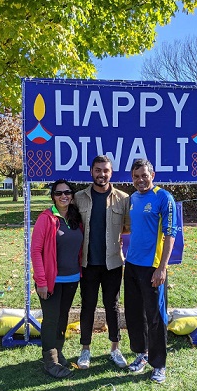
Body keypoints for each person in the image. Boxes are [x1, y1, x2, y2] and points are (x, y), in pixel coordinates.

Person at [124, 159, 177, 384]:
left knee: (155, 316)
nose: (140, 180)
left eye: (144, 175)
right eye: (136, 176)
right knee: (135, 314)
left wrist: (162, 268)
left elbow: (171, 233)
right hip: (132, 265)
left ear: (152, 174)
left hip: (152, 268)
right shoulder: (133, 199)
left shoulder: (163, 197)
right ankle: (141, 354)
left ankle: (159, 364)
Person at [74, 155, 129, 369]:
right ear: (91, 172)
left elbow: (127, 227)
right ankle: (85, 350)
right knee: (87, 306)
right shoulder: (79, 198)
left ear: (111, 173)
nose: (101, 174)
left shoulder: (123, 198)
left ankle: (115, 349)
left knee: (112, 306)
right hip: (87, 263)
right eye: (98, 170)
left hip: (113, 263)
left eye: (105, 170)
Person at [31, 179, 83, 379]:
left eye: (67, 192)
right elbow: (36, 251)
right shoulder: (46, 218)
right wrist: (41, 282)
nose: (64, 196)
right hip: (51, 281)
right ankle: (50, 361)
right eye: (59, 193)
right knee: (51, 320)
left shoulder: (74, 218)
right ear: (53, 196)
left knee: (62, 318)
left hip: (71, 278)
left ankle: (58, 352)